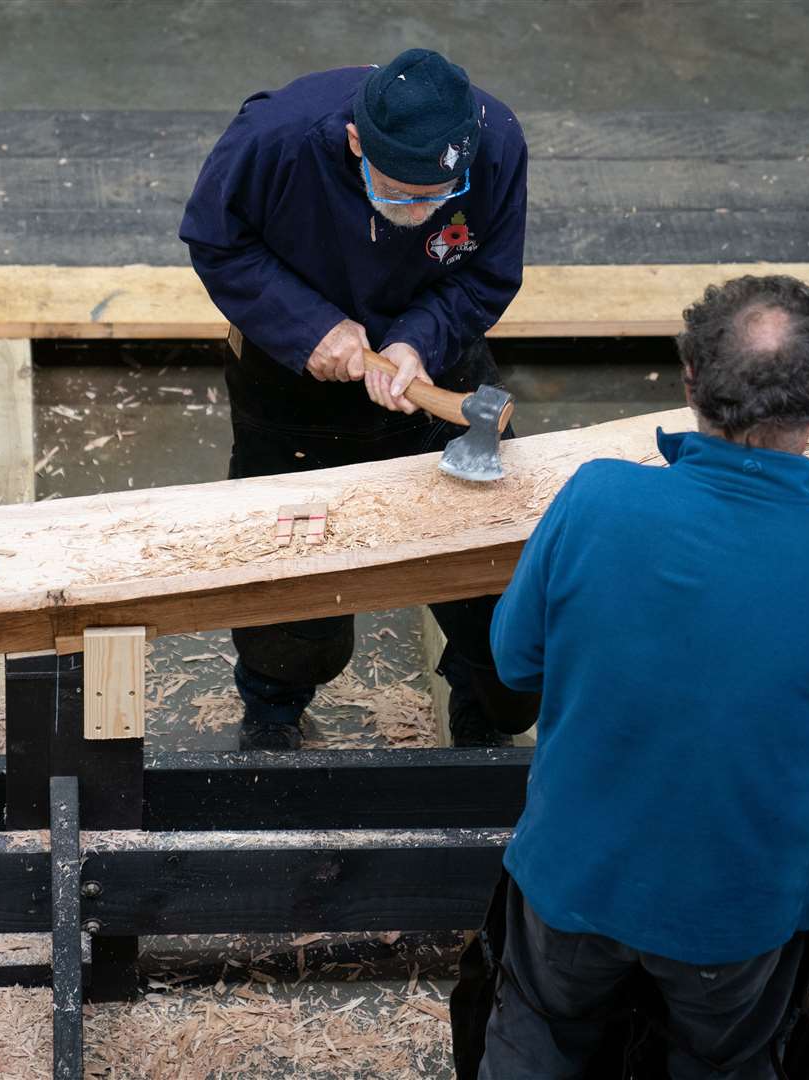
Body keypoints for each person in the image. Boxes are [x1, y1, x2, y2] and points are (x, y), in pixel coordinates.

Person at [461, 276, 809, 1078]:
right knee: (722, 1059)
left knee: (538, 1041)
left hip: (575, 884)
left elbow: (514, 660)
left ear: (691, 380)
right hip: (738, 914)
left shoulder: (597, 497)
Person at [180, 48, 538, 750]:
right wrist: (308, 325)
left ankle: (485, 712)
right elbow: (216, 243)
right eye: (404, 194)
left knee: (500, 576)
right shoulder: (275, 139)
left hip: (436, 373)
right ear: (354, 142)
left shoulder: (497, 139)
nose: (427, 211)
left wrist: (416, 342)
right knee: (288, 580)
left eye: (441, 195)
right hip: (292, 384)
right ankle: (275, 707)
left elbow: (489, 273)